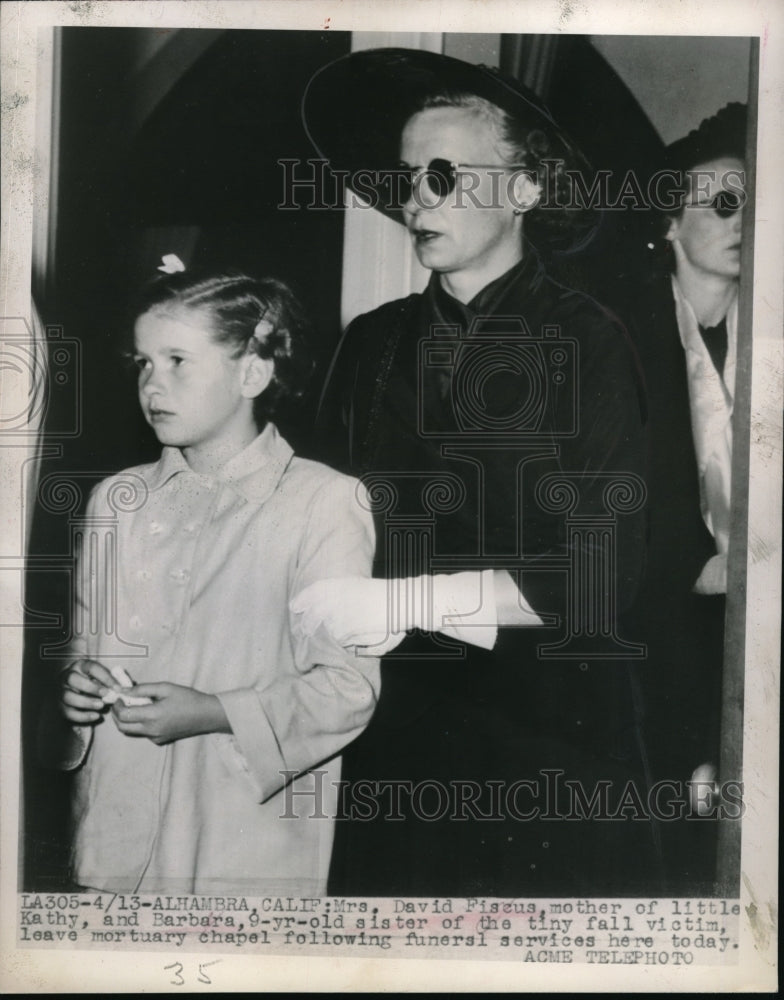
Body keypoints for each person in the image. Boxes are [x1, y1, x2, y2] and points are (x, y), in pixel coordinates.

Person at [294, 48, 656, 896]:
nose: (419, 197)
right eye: (411, 176)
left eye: (447, 174)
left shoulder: (591, 341)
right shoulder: (373, 342)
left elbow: (599, 576)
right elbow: (316, 521)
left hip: (551, 742)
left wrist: (401, 600)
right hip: (396, 737)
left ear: (526, 188)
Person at [52, 262, 379, 895]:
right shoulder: (112, 500)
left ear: (252, 372)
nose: (153, 384)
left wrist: (212, 712)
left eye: (178, 360)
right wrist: (71, 692)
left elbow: (347, 690)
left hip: (241, 843)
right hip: (110, 844)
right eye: (142, 363)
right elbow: (79, 645)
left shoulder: (324, 502)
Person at [617, 104, 747, 892]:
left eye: (754, 208)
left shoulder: (766, 335)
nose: (744, 224)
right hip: (658, 630)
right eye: (722, 205)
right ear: (670, 220)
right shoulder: (623, 338)